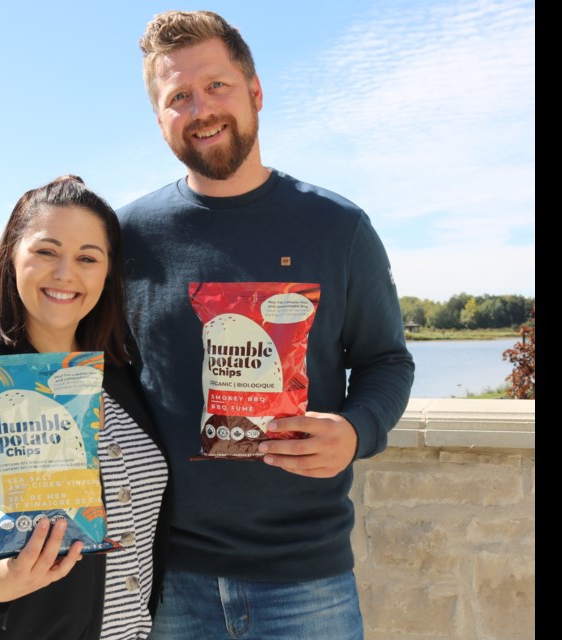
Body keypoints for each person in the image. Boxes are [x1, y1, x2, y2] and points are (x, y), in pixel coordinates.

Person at [117, 11, 415, 640]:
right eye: (178, 96)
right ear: (159, 117)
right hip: (168, 582)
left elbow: (388, 360)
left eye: (217, 86)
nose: (202, 109)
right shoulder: (126, 239)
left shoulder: (338, 227)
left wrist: (356, 430)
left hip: (306, 581)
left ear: (255, 92)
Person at [0, 175, 170, 640]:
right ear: (12, 258)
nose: (65, 273)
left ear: (106, 273)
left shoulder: (120, 378)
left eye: (87, 258)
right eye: (46, 251)